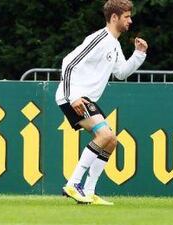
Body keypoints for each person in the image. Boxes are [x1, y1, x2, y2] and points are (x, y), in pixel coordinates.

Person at [55, 0, 148, 205]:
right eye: (126, 17)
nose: (130, 21)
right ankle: (73, 184)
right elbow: (68, 63)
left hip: (84, 98)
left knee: (111, 141)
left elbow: (121, 73)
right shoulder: (99, 39)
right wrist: (73, 97)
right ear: (114, 18)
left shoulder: (113, 43)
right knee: (104, 135)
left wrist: (139, 54)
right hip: (73, 96)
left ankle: (89, 191)